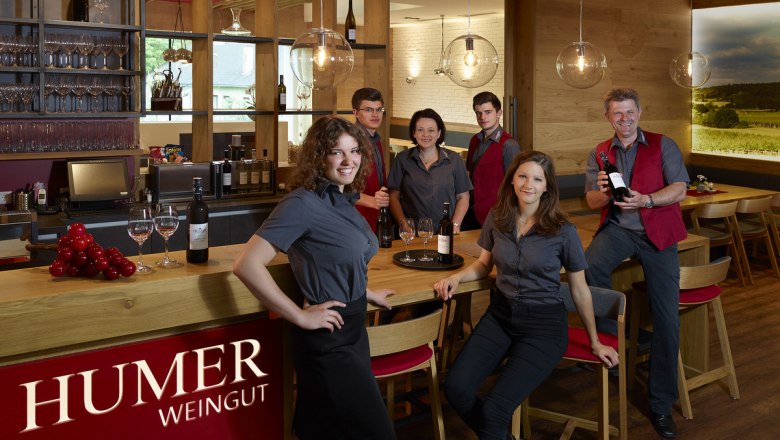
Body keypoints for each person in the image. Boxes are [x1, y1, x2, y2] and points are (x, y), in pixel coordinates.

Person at [434, 151, 619, 440]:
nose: (528, 184)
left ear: (547, 186)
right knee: (456, 387)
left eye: (537, 178)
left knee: (495, 411)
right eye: (522, 176)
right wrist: (456, 277)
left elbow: (579, 289)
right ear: (512, 180)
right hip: (500, 317)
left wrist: (595, 341)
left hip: (543, 328)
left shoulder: (563, 230)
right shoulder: (498, 218)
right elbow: (484, 265)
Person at [232, 116, 396, 440]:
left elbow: (336, 256)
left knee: (324, 431)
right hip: (326, 340)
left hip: (353, 326)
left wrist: (364, 291)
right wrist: (299, 317)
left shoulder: (342, 197)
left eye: (354, 151)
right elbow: (246, 264)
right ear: (319, 155)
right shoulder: (301, 203)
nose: (349, 160)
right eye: (337, 152)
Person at [583, 88, 689, 439]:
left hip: (657, 231)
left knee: (667, 317)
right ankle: (612, 346)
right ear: (608, 117)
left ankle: (660, 404)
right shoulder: (600, 152)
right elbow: (590, 200)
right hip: (618, 230)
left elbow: (679, 188)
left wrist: (647, 200)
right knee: (588, 268)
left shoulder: (663, 145)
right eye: (617, 114)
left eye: (629, 113)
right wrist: (601, 191)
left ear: (639, 112)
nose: (624, 119)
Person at [388, 108, 471, 232]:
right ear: (414, 133)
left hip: (445, 232)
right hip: (411, 233)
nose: (426, 135)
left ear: (438, 133)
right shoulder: (401, 159)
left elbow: (463, 197)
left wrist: (455, 225)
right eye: (420, 130)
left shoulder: (454, 160)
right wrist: (404, 225)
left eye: (431, 130)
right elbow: (393, 197)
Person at [462, 91, 522, 231]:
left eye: (488, 112)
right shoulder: (474, 140)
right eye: (478, 113)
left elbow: (516, 186)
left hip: (496, 216)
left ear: (499, 113)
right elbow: (469, 174)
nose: (482, 117)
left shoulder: (509, 145)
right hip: (470, 212)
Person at [352, 87, 390, 232]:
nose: (375, 114)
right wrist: (372, 201)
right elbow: (337, 188)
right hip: (356, 218)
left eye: (379, 109)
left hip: (376, 216)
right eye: (368, 110)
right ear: (355, 112)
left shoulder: (376, 140)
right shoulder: (351, 142)